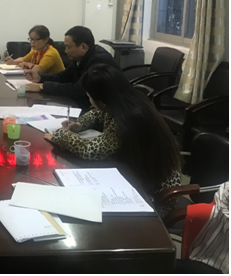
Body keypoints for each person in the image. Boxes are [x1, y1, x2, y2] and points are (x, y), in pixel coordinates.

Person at [43, 63, 182, 216]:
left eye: (90, 96)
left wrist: (60, 135)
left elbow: (92, 151)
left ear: (102, 100)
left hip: (154, 195)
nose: (89, 100)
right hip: (137, 175)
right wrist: (79, 125)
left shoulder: (129, 117)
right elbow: (98, 113)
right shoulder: (122, 101)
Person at [25, 26, 119, 111]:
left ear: (83, 47)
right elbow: (64, 76)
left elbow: (79, 90)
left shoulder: (99, 62)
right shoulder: (80, 57)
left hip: (106, 112)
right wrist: (40, 78)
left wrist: (43, 87)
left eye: (68, 47)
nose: (66, 51)